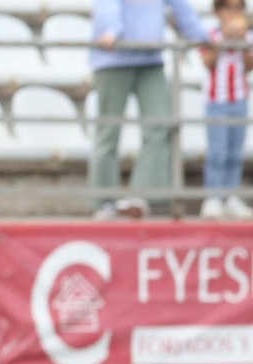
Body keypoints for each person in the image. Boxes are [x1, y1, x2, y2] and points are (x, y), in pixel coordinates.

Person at [90, 0, 208, 218]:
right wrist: (112, 30)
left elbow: (181, 7)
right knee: (108, 132)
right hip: (113, 58)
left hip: (151, 60)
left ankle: (140, 197)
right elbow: (107, 6)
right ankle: (103, 202)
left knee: (159, 125)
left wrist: (204, 37)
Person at [200, 0, 251, 217]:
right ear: (218, 12)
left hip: (239, 99)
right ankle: (213, 197)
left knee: (234, 151)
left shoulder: (247, 36)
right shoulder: (210, 35)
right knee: (217, 152)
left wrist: (242, 43)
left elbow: (249, 66)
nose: (234, 13)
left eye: (238, 9)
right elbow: (207, 62)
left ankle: (231, 196)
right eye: (229, 8)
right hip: (217, 101)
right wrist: (222, 43)